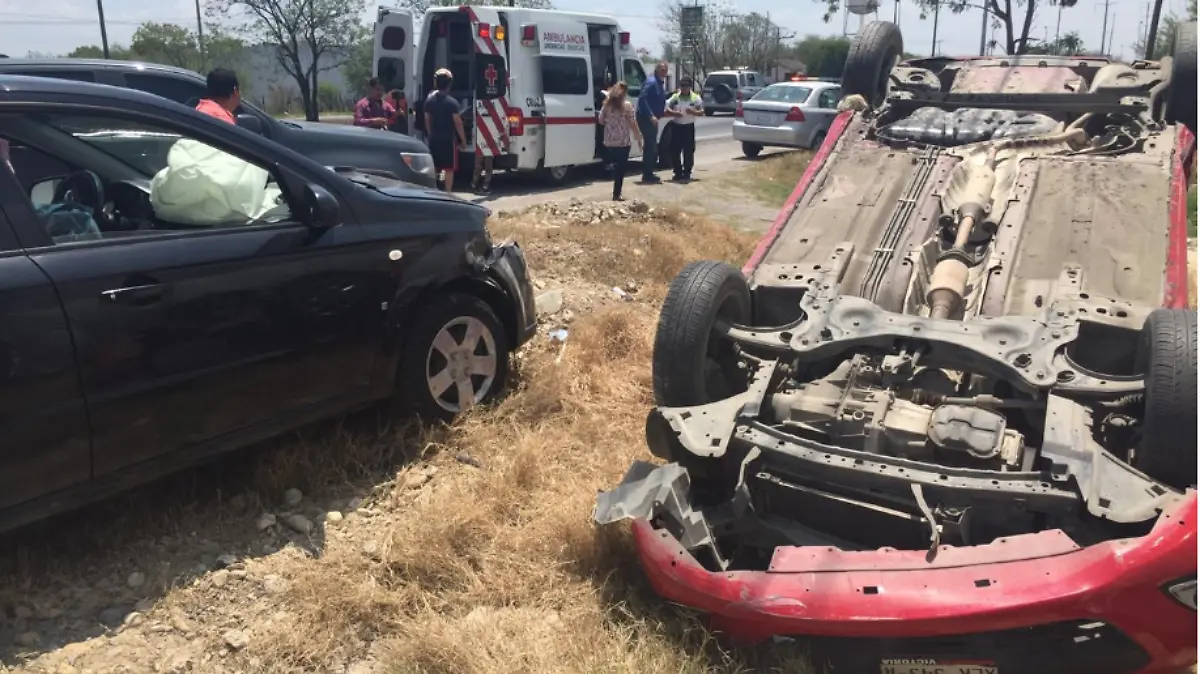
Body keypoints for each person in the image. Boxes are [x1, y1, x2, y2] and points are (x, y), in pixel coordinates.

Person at [598, 81, 643, 202]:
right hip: (623, 142)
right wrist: (639, 139)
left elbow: (601, 121)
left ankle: (615, 191)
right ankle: (617, 194)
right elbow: (633, 123)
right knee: (620, 168)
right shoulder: (627, 105)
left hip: (609, 141)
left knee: (615, 165)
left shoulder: (606, 105)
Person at [424, 68, 468, 193]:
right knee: (449, 169)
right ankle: (448, 193)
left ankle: (434, 191)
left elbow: (427, 120)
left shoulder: (429, 101)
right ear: (449, 84)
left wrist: (430, 134)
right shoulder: (452, 103)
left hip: (434, 140)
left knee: (434, 167)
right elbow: (458, 123)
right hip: (449, 141)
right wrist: (463, 141)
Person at [634, 61, 669, 184]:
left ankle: (648, 172)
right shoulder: (652, 82)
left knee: (651, 145)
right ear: (657, 69)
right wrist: (651, 116)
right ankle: (647, 175)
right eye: (662, 69)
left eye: (666, 69)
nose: (664, 71)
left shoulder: (659, 83)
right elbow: (642, 99)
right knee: (651, 146)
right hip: (646, 118)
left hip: (653, 118)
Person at [665, 76, 704, 182]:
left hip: (688, 127)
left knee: (688, 151)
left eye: (686, 86)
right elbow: (667, 108)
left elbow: (701, 112)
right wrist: (675, 113)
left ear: (690, 87)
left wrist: (692, 112)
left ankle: (687, 172)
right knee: (674, 151)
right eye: (682, 86)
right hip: (677, 126)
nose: (684, 88)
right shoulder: (676, 97)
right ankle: (677, 172)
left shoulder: (695, 98)